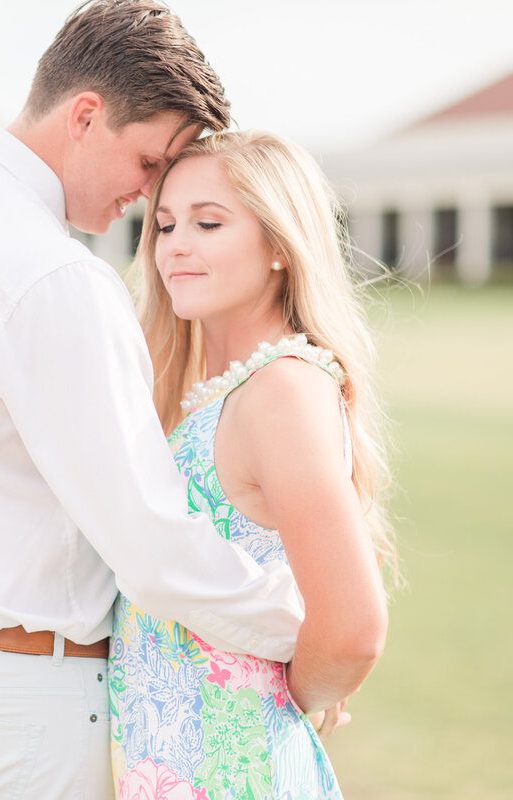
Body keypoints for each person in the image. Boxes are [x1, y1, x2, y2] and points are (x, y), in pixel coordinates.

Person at [0, 2, 306, 797]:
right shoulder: (55, 278)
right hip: (21, 702)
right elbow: (152, 546)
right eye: (151, 160)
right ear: (86, 115)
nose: (151, 194)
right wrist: (300, 632)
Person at [110, 129, 396, 798]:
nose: (176, 244)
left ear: (278, 245)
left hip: (233, 770)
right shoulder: (217, 393)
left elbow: (353, 628)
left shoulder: (283, 390)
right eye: (166, 224)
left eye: (209, 223)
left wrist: (275, 695)